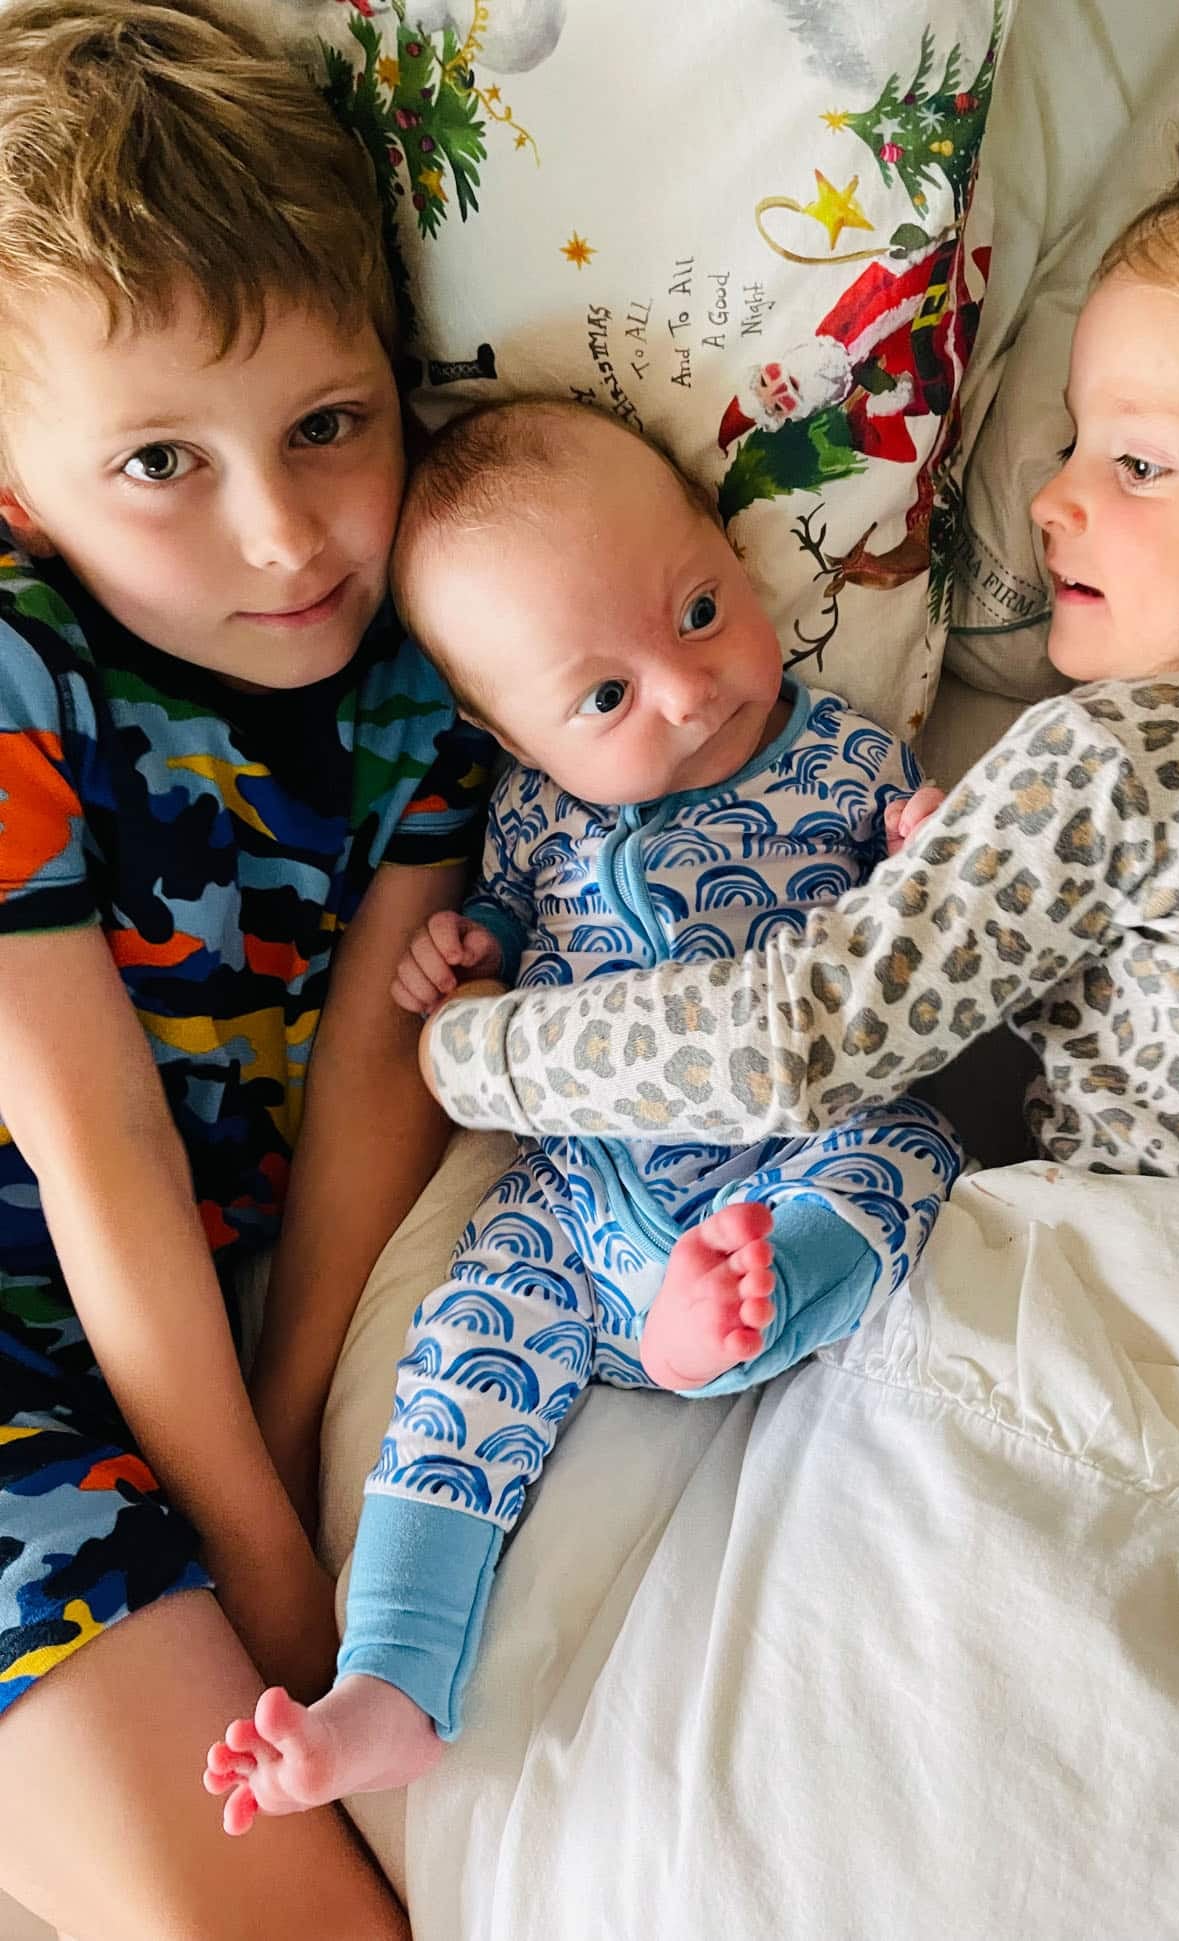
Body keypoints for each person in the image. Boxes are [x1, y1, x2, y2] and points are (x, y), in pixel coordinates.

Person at [409, 73, 1179, 1223]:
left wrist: (478, 1056)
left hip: (1171, 1290)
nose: (1050, 500)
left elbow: (805, 1038)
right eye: (1073, 440)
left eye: (1139, 464)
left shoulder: (1116, 757)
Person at [204, 397, 964, 1827]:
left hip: (787, 1146)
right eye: (602, 698)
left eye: (699, 610)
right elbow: (501, 922)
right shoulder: (529, 814)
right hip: (578, 1200)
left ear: (728, 557)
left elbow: (933, 919)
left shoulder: (841, 756)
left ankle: (750, 1309)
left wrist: (934, 851)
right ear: (510, 733)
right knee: (459, 1363)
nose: (685, 689)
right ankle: (390, 1683)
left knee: (905, 1158)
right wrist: (463, 954)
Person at [0, 3, 491, 1934]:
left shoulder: (419, 681)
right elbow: (96, 1136)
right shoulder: (18, 672)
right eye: (160, 461)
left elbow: (380, 1064)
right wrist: (267, 1566)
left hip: (158, 1370)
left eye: (328, 425)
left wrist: (287, 1442)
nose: (285, 536)